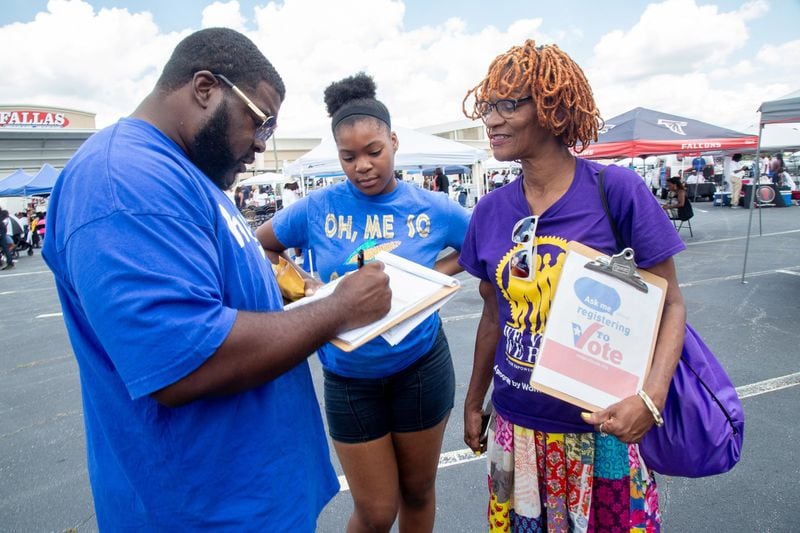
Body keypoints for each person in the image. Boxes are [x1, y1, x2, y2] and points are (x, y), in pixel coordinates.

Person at [41, 28, 393, 530]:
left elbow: (220, 289)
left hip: (251, 496)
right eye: (260, 122)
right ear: (205, 88)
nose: (258, 144)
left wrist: (302, 291)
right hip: (203, 511)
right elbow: (183, 360)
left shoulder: (182, 174)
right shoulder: (123, 178)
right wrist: (340, 308)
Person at [459, 39, 686, 531]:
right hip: (515, 428)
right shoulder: (491, 211)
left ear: (552, 108)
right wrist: (475, 401)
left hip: (601, 430)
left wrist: (650, 399)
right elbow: (493, 316)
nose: (491, 120)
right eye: (487, 107)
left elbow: (670, 305)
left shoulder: (615, 191)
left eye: (508, 104)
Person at [257, 72, 470, 533]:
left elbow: (481, 244)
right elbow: (260, 247)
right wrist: (305, 286)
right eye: (348, 157)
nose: (363, 166)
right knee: (375, 512)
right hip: (350, 378)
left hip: (420, 367)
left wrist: (434, 275)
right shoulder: (316, 207)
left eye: (374, 152)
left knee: (417, 492)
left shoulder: (432, 207)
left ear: (393, 141)